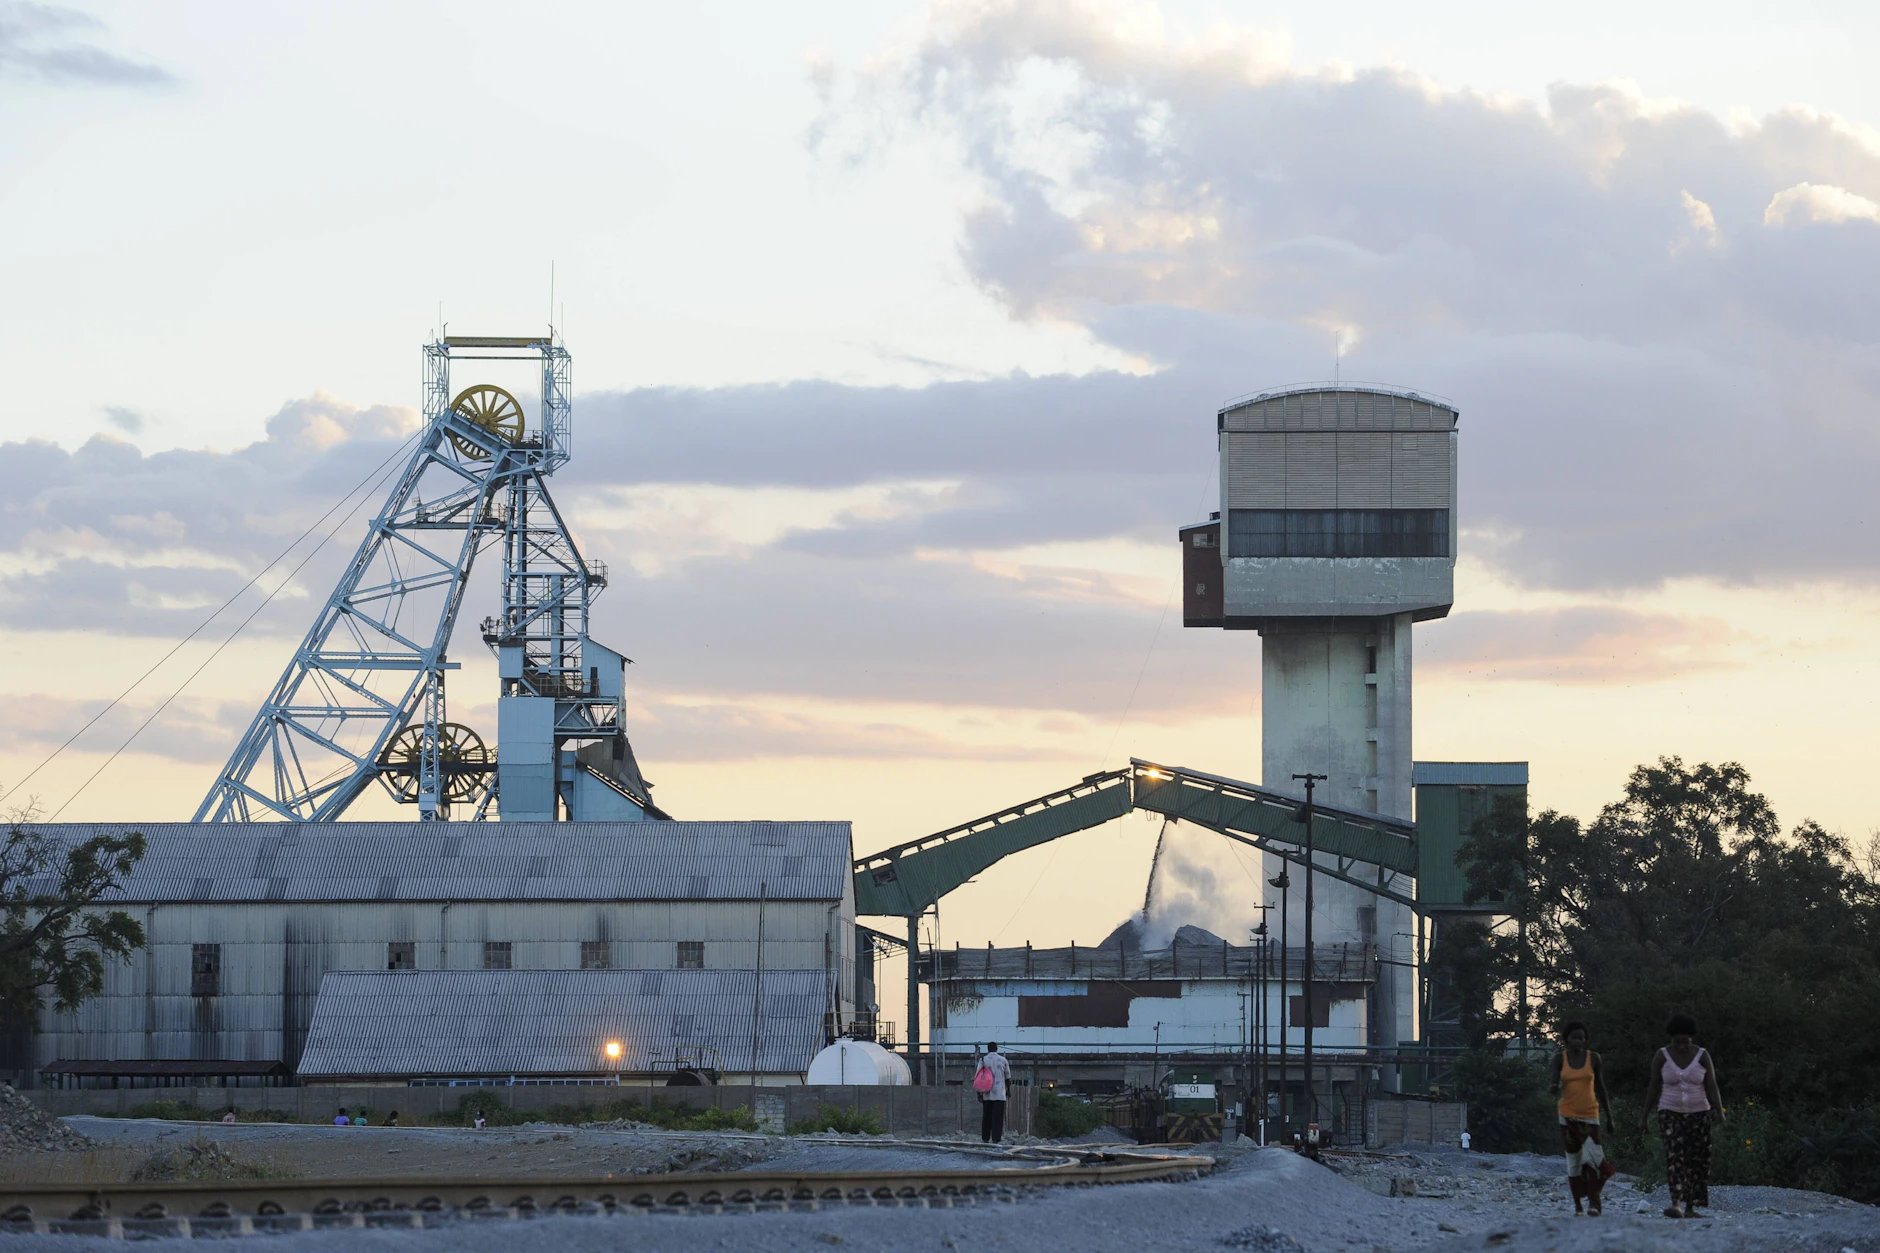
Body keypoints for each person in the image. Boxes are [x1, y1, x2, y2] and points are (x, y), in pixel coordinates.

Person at [1641, 1012, 1724, 1219]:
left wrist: (1719, 1112)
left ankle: (1691, 1207)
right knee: (1675, 1156)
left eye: (1685, 1042)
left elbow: (1711, 1085)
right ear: (1671, 1039)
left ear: (1691, 1039)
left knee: (1698, 1159)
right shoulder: (1662, 1056)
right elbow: (1653, 1087)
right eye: (1677, 1042)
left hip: (1699, 1113)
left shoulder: (1702, 1055)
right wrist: (1643, 1116)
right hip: (1669, 1112)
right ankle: (1676, 1203)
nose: (1681, 1046)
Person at [1549, 1021, 1615, 1216]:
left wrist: (1610, 1117)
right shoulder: (1559, 1059)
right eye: (1575, 1037)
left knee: (1595, 1159)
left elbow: (1600, 1088)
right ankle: (1579, 1204)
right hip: (1568, 1116)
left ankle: (1594, 1201)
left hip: (1590, 1115)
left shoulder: (1593, 1058)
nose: (1579, 1041)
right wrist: (1553, 1088)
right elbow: (1553, 1083)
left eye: (1582, 1038)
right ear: (1566, 1039)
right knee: (1574, 1161)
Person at [975, 1042, 1012, 1144]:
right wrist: (1008, 1090)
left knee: (986, 1117)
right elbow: (1008, 1077)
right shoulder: (1003, 1060)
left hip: (987, 1093)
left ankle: (985, 1138)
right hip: (1000, 1093)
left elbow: (978, 1076)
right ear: (997, 1049)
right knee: (998, 1118)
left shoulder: (983, 1060)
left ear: (988, 1049)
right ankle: (996, 1139)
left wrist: (979, 1093)